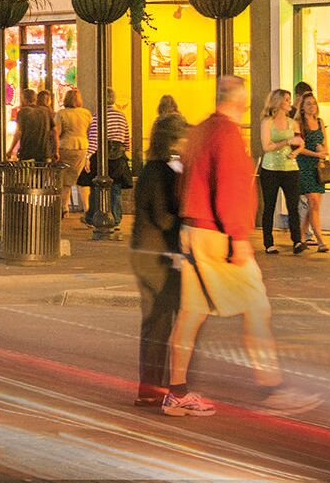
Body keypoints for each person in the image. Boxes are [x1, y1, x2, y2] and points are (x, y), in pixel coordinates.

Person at [167, 74, 317, 417]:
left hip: (193, 230)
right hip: (218, 235)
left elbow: (184, 180)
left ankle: (176, 392)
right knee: (257, 307)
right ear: (241, 102)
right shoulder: (228, 135)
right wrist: (238, 239)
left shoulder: (200, 131)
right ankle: (271, 387)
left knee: (191, 313)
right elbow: (231, 187)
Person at [131, 105, 189, 409]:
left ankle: (152, 386)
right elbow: (164, 217)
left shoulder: (153, 169)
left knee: (158, 321)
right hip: (156, 255)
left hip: (146, 251)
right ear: (172, 140)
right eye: (183, 137)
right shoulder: (160, 172)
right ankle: (154, 387)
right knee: (160, 322)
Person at [258, 88, 304, 254]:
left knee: (293, 206)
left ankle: (297, 240)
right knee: (269, 205)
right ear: (277, 102)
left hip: (290, 168)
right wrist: (286, 141)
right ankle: (268, 242)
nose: (289, 103)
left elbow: (300, 142)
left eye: (289, 99)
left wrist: (296, 151)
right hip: (271, 168)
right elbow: (266, 146)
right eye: (286, 99)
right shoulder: (267, 122)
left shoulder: (293, 123)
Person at [293, 82, 330, 254]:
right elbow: (298, 147)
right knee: (313, 202)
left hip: (318, 167)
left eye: (314, 103)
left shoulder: (320, 122)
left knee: (313, 206)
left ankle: (301, 236)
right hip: (304, 165)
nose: (312, 106)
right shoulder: (299, 124)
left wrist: (324, 152)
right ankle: (320, 240)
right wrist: (316, 154)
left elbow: (325, 143)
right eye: (308, 104)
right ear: (302, 107)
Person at [54, 87, 92, 212]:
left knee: (66, 179)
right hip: (82, 147)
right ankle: (87, 207)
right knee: (82, 178)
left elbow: (57, 132)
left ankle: (64, 206)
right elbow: (90, 131)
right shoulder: (86, 113)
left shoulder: (61, 114)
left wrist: (55, 150)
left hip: (66, 147)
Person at [16, 88, 55, 165]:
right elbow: (55, 131)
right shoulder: (46, 111)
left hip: (27, 152)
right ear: (35, 98)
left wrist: (10, 150)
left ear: (24, 99)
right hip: (44, 153)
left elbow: (18, 132)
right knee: (43, 172)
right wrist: (55, 150)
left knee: (26, 171)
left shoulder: (22, 112)